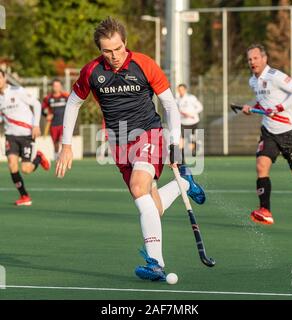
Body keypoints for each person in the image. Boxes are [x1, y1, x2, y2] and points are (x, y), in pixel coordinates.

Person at [55, 17, 206, 281]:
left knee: (138, 187)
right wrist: (66, 145)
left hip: (149, 133)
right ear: (100, 50)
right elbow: (73, 103)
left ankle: (155, 263)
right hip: (119, 142)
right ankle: (183, 182)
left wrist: (174, 143)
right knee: (152, 208)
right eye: (107, 51)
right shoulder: (92, 72)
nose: (114, 56)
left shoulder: (144, 64)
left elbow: (170, 105)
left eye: (118, 48)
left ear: (125, 43)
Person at [242, 44, 292, 225]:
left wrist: (279, 108)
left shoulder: (275, 76)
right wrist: (252, 109)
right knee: (261, 166)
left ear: (264, 59)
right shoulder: (253, 81)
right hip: (268, 132)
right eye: (250, 59)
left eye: (255, 58)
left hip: (289, 131)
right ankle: (265, 210)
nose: (252, 62)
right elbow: (263, 103)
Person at [0, 70, 50, 206]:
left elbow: (37, 104)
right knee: (12, 164)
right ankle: (24, 196)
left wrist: (36, 125)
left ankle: (38, 157)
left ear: (4, 78)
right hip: (10, 136)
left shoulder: (17, 91)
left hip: (27, 134)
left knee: (26, 169)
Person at [42, 79, 69, 160]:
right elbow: (43, 109)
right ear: (52, 87)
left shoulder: (66, 96)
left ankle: (64, 156)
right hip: (53, 124)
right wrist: (47, 114)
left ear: (60, 87)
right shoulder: (48, 98)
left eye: (57, 86)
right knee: (56, 143)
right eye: (54, 86)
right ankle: (56, 157)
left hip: (64, 124)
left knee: (64, 140)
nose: (56, 88)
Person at [176, 83, 203, 160]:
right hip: (183, 123)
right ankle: (181, 156)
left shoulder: (192, 98)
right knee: (181, 139)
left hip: (193, 122)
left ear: (185, 90)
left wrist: (191, 113)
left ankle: (194, 150)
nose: (180, 91)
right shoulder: (177, 100)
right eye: (179, 90)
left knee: (192, 140)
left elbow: (200, 107)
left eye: (182, 90)